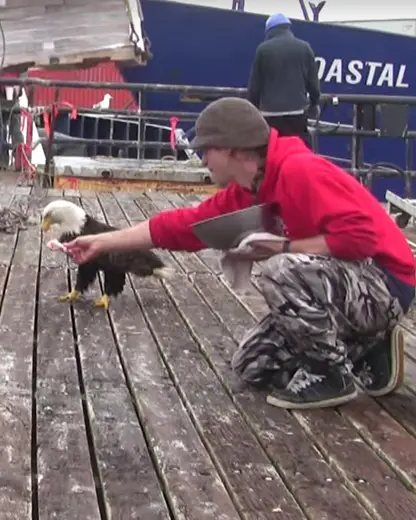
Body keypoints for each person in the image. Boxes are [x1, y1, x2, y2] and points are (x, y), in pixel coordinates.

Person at [62, 97, 415, 410]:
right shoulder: (252, 188)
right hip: (348, 288)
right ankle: (367, 346)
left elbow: (361, 238)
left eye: (207, 149)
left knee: (280, 269)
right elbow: (183, 226)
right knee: (253, 364)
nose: (202, 158)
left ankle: (331, 374)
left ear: (233, 149)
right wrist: (102, 242)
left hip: (387, 283)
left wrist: (286, 247)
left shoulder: (299, 171)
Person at [247, 13, 322, 148]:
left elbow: (255, 85)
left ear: (269, 31)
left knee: (272, 148)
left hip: (270, 113)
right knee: (297, 148)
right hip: (297, 112)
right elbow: (313, 83)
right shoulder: (304, 47)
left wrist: (253, 108)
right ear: (288, 28)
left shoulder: (263, 50)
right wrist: (314, 103)